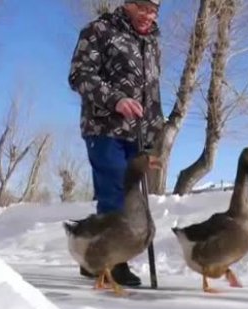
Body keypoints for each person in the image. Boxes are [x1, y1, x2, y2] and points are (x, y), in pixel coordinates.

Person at [67, 0, 164, 287]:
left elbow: (152, 90)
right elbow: (80, 75)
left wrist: (154, 128)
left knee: (134, 199)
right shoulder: (99, 30)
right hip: (104, 127)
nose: (150, 15)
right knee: (115, 193)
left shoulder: (152, 41)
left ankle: (94, 256)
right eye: (144, 8)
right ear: (128, 4)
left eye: (155, 10)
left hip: (138, 133)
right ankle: (112, 260)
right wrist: (116, 100)